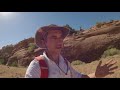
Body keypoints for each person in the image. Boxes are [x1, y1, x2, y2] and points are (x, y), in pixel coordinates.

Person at [25, 25, 118, 78]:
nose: (59, 40)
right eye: (54, 37)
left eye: (60, 37)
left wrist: (96, 74)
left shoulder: (65, 63)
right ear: (44, 42)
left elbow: (80, 77)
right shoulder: (36, 66)